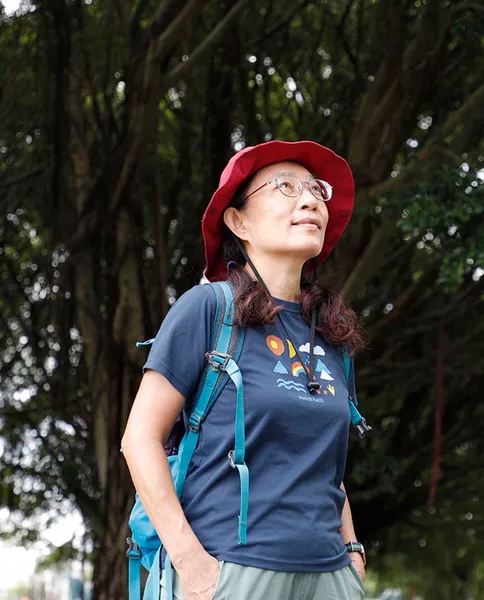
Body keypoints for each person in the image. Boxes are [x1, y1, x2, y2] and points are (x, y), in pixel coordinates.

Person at [122, 140, 368, 600]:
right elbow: (139, 439)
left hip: (331, 576)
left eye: (316, 190)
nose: (310, 200)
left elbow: (325, 464)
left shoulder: (331, 333)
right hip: (232, 571)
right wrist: (191, 564)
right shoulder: (208, 309)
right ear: (238, 222)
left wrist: (352, 551)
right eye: (286, 187)